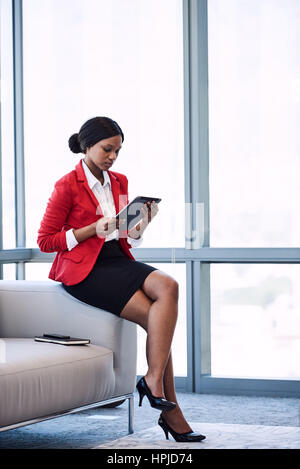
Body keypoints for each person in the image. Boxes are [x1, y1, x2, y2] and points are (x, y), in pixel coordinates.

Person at [37, 116, 205, 443]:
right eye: (107, 149)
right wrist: (91, 230)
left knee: (168, 286)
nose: (112, 156)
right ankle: (171, 413)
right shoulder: (66, 185)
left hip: (116, 259)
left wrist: (140, 225)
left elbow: (126, 235)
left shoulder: (119, 181)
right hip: (85, 271)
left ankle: (153, 379)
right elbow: (46, 240)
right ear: (87, 146)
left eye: (118, 150)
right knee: (160, 324)